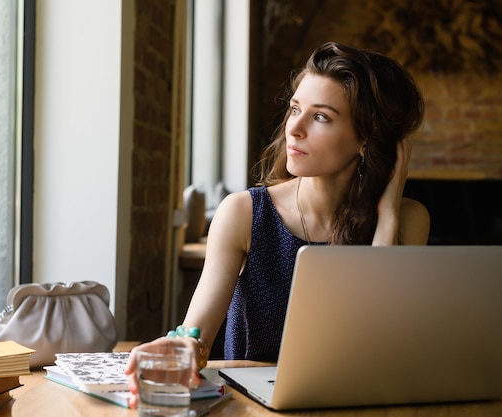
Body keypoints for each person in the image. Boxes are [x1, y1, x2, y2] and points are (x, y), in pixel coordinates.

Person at [124, 41, 430, 406]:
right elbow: (197, 333)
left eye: (321, 117)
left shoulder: (408, 220)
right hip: (251, 409)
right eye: (295, 109)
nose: (294, 128)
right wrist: (182, 347)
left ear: (367, 139)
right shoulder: (243, 213)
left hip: (351, 406)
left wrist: (389, 214)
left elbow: (384, 343)